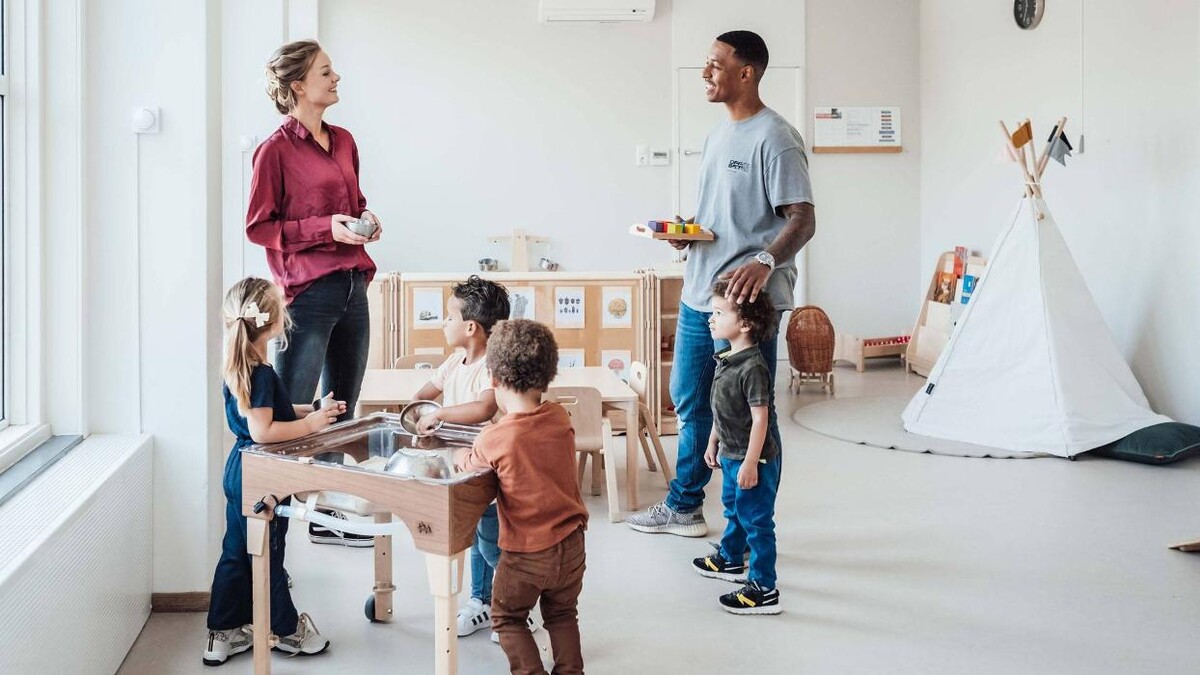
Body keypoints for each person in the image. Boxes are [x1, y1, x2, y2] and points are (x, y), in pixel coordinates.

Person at [626, 30, 815, 537]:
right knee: (689, 400)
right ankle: (686, 505)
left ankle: (749, 529)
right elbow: (725, 215)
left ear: (746, 73)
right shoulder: (715, 136)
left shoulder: (777, 137)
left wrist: (765, 262)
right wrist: (688, 233)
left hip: (749, 304)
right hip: (702, 293)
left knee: (752, 412)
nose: (705, 72)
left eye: (715, 64)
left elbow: (802, 219)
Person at [247, 39, 381, 547]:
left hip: (353, 283)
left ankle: (328, 514)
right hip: (307, 293)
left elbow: (356, 202)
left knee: (341, 405)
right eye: (327, 72)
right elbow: (261, 227)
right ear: (298, 85)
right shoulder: (274, 151)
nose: (337, 77)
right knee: (288, 411)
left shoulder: (344, 141)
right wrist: (328, 227)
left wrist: (365, 221)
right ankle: (271, 526)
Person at [203, 277, 338, 665]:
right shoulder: (260, 372)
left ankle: (223, 632)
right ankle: (287, 630)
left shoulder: (240, 366)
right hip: (261, 475)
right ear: (274, 320)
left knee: (235, 552)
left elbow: (265, 416)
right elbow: (264, 431)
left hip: (240, 469)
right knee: (268, 554)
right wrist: (311, 428)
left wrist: (311, 412)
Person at [456, 320, 588, 675]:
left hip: (528, 553)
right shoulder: (560, 417)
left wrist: (461, 454)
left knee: (508, 618)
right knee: (562, 614)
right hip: (573, 543)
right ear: (547, 376)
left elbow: (468, 467)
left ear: (494, 380)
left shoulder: (495, 438)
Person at [409, 276, 517, 643]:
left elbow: (485, 406)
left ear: (470, 327)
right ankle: (482, 601)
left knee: (490, 541)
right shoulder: (455, 361)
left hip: (487, 468)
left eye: (448, 315)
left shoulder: (492, 364)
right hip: (461, 466)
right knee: (473, 535)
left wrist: (438, 415)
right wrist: (415, 408)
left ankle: (513, 607)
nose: (443, 322)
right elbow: (427, 391)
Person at [690, 280, 782, 615]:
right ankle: (730, 558)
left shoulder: (752, 368)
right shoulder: (727, 358)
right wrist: (714, 439)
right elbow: (721, 408)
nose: (710, 319)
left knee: (757, 522)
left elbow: (761, 420)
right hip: (731, 453)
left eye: (718, 313)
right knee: (734, 509)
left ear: (745, 324)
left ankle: (763, 587)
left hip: (752, 459)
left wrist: (751, 463)